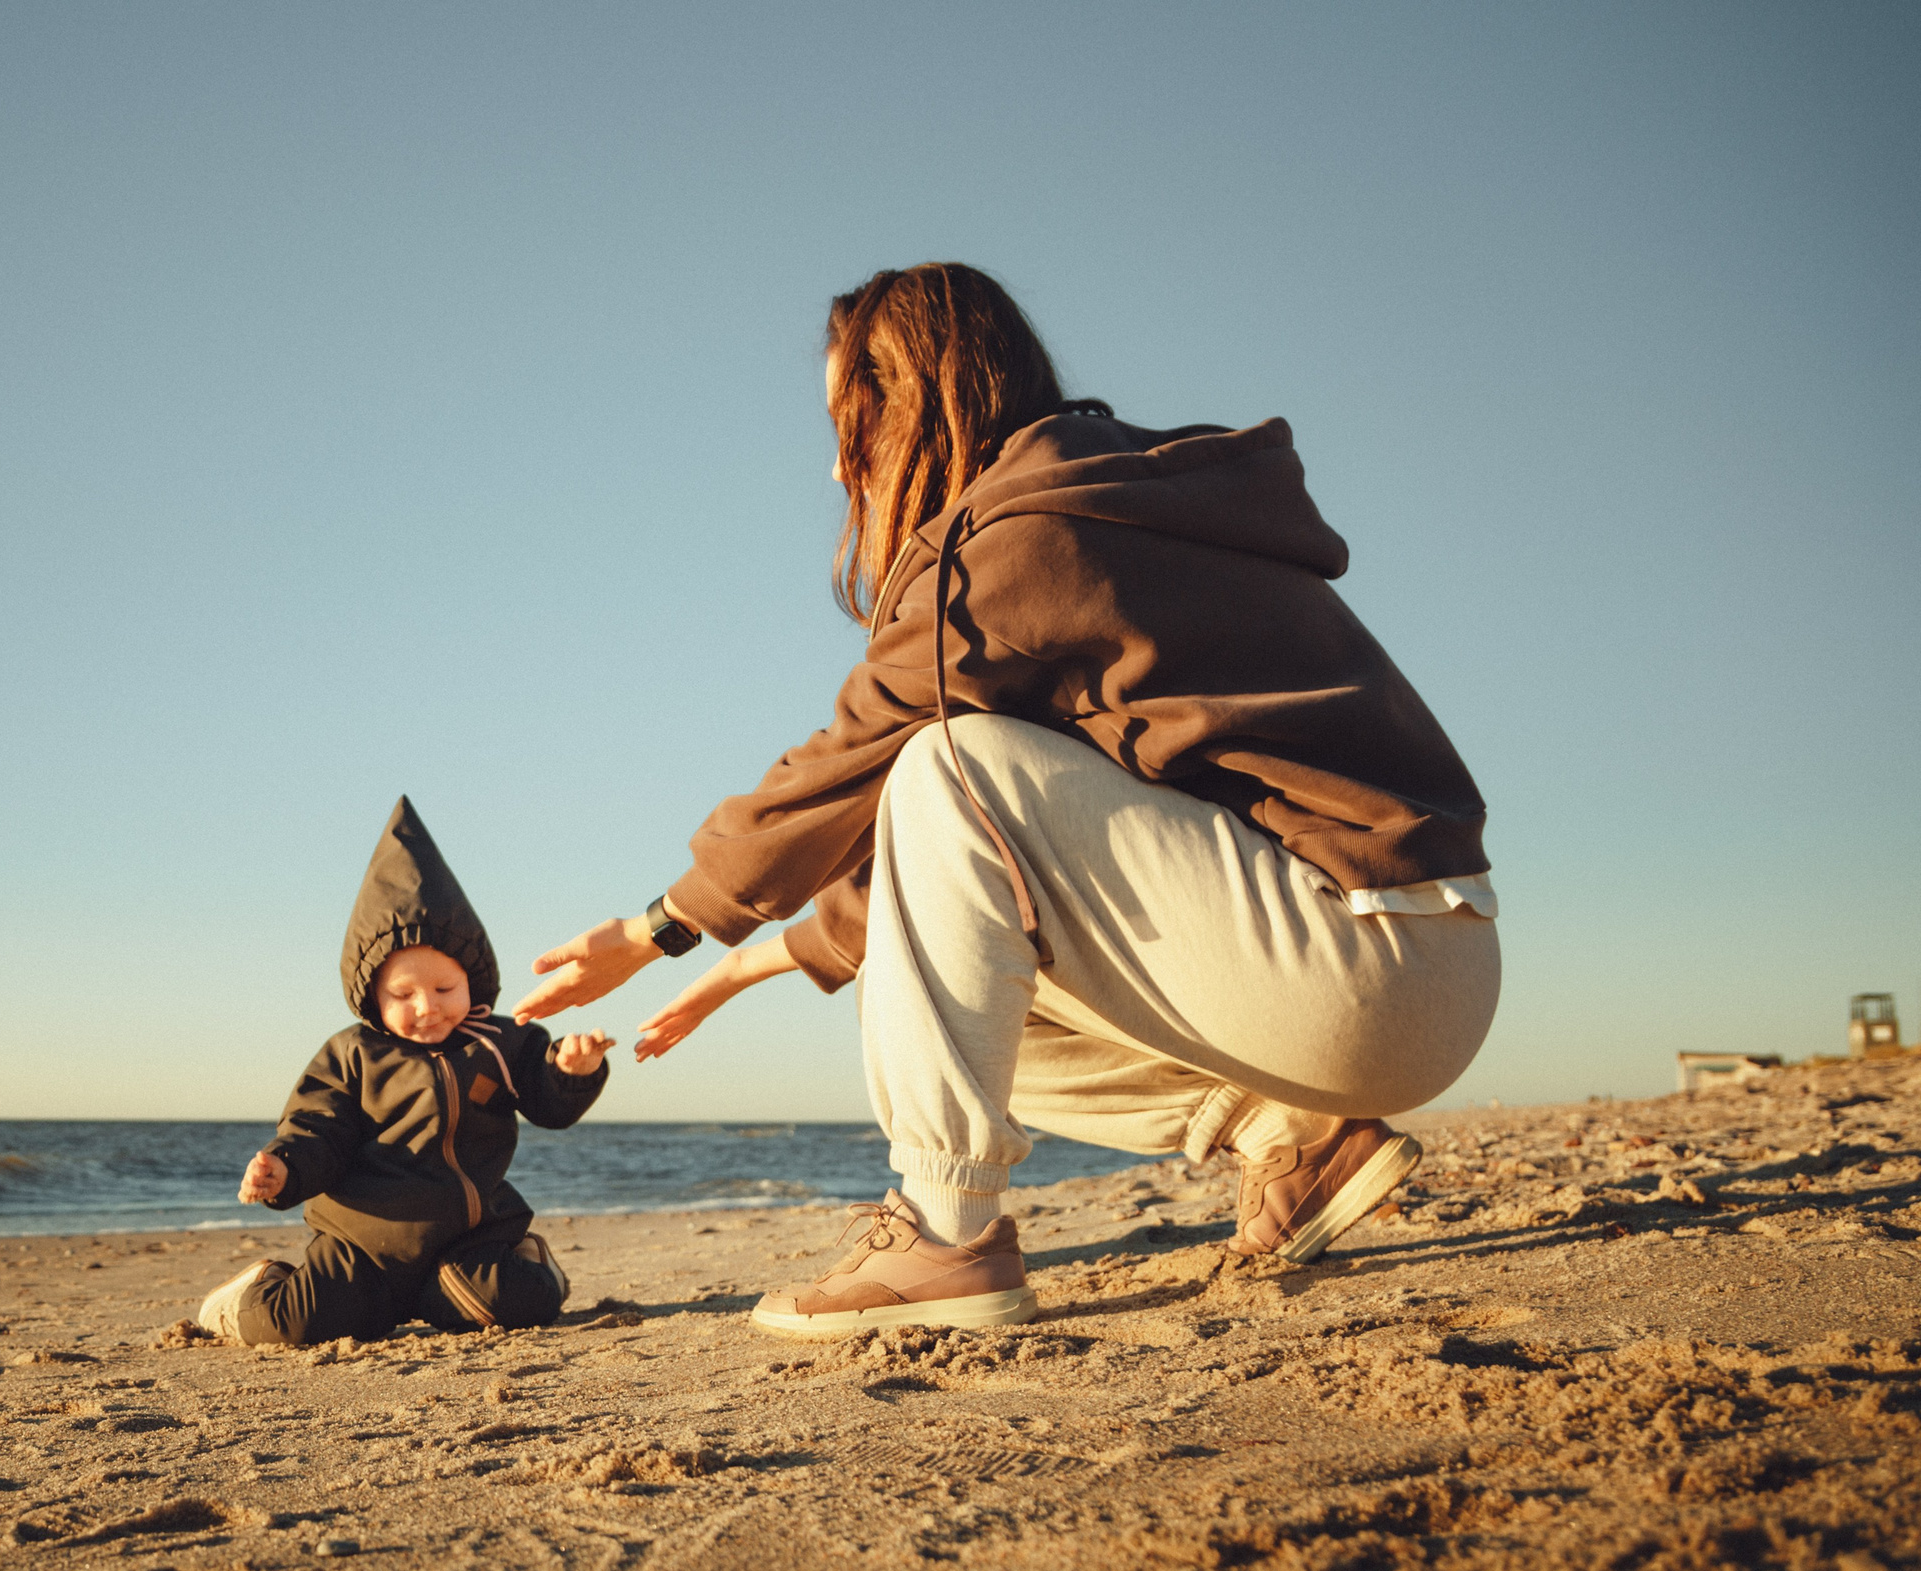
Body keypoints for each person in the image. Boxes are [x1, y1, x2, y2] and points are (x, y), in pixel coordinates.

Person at [514, 263, 1499, 1341]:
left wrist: (654, 930)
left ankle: (942, 1234)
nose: (843, 459)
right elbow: (942, 889)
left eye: (854, 418)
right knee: (963, 953)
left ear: (917, 400)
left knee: (945, 761)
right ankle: (1293, 1136)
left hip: (1351, 958)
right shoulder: (1113, 501)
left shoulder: (1015, 542)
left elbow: (858, 762)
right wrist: (738, 968)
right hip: (1416, 959)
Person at [198, 797, 614, 1345]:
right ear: (372, 995)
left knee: (517, 1303)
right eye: (403, 993)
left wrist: (571, 1070)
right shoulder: (351, 1053)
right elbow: (317, 1128)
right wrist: (284, 1168)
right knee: (296, 1323)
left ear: (474, 978)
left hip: (465, 1242)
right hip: (361, 1244)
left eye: (445, 989)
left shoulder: (501, 1042)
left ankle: (532, 1262)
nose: (427, 1007)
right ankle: (248, 1293)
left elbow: (548, 1104)